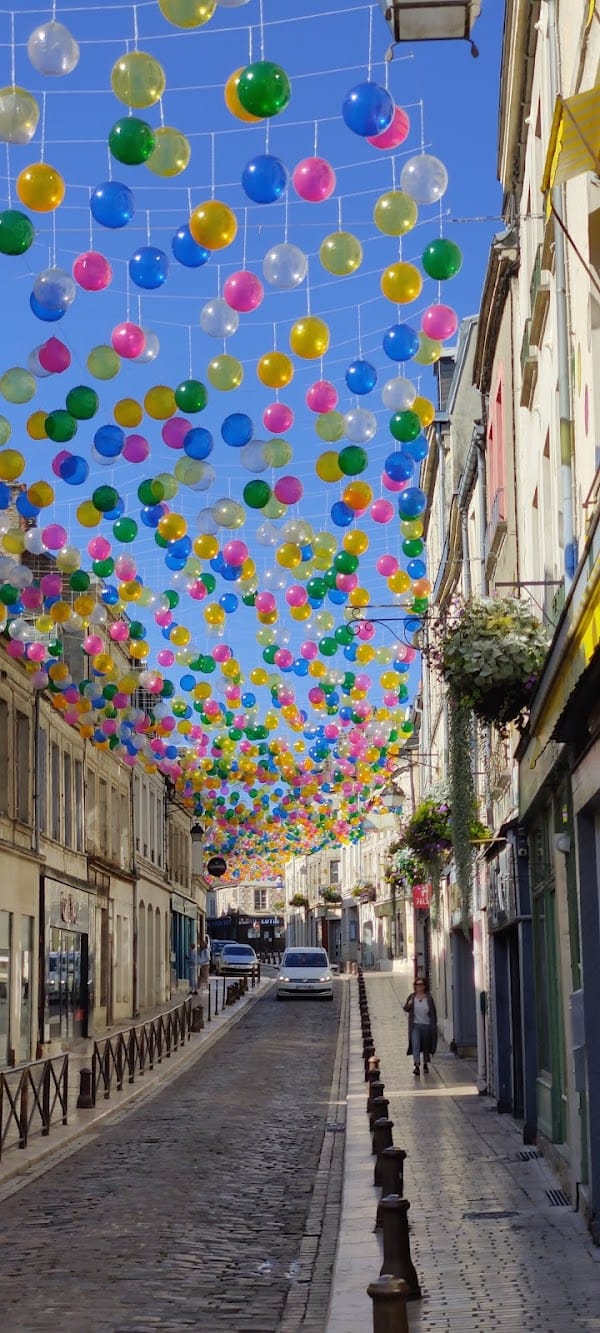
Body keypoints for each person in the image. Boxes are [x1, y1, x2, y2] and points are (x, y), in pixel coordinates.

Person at [403, 977, 438, 1076]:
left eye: (421, 984)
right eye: (417, 985)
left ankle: (425, 1063)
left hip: (427, 1025)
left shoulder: (429, 998)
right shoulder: (412, 997)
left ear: (424, 986)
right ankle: (417, 1065)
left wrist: (433, 1025)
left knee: (426, 1046)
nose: (419, 987)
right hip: (415, 1026)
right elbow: (405, 1008)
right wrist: (409, 1004)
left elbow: (433, 1013)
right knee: (416, 1044)